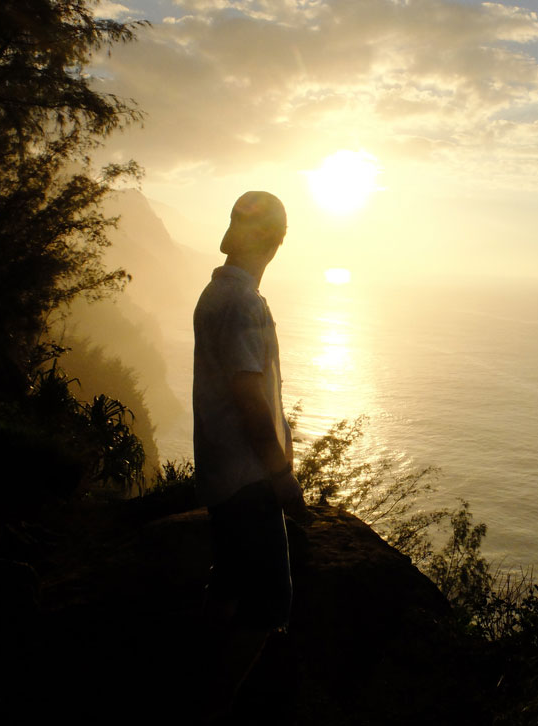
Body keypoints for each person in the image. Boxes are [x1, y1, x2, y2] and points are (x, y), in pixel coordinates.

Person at [192, 191, 306, 721]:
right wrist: (282, 477)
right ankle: (214, 703)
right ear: (275, 244)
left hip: (222, 472)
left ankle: (196, 685)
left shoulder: (217, 294)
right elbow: (248, 397)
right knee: (269, 604)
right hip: (248, 479)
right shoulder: (242, 303)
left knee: (230, 584)